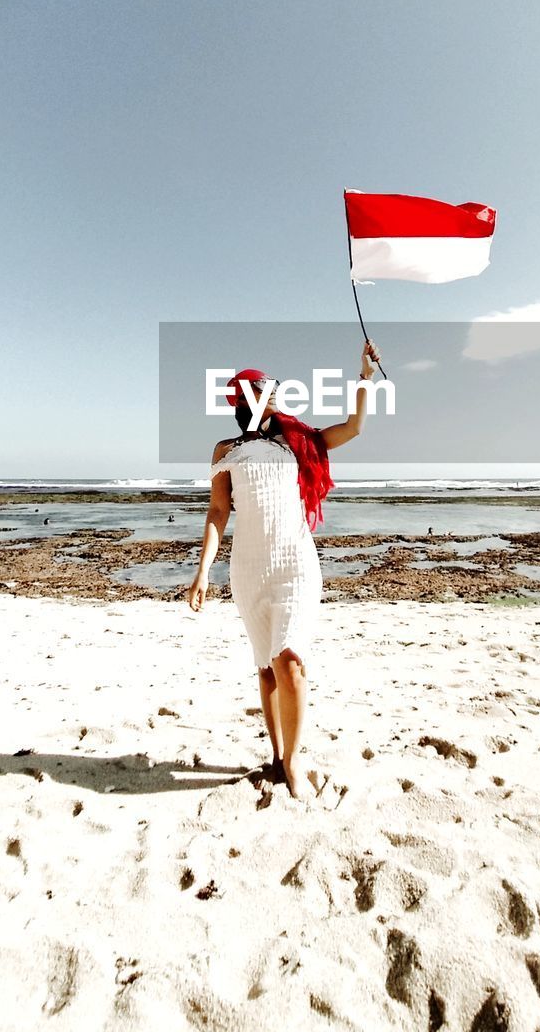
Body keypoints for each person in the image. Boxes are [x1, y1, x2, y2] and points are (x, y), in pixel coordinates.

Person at [187, 339, 383, 799]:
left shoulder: (299, 441)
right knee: (267, 670)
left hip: (296, 565)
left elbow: (354, 428)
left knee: (290, 661)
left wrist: (365, 378)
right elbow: (218, 513)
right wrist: (203, 572)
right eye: (261, 387)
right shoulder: (225, 451)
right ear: (242, 399)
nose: (272, 392)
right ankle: (275, 757)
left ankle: (293, 762)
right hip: (249, 570)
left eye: (273, 386)